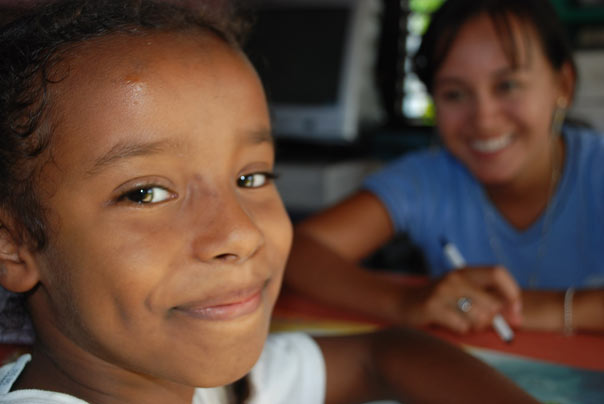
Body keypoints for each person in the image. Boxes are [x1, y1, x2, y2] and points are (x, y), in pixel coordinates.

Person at [0, 1, 541, 403]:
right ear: (14, 243)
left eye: (253, 176)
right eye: (146, 193)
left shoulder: (186, 377)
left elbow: (386, 354)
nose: (240, 232)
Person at [285, 0, 604, 336]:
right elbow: (300, 254)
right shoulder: (429, 178)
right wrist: (406, 300)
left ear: (563, 85)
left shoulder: (595, 170)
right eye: (454, 94)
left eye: (507, 86)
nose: (484, 119)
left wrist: (545, 309)